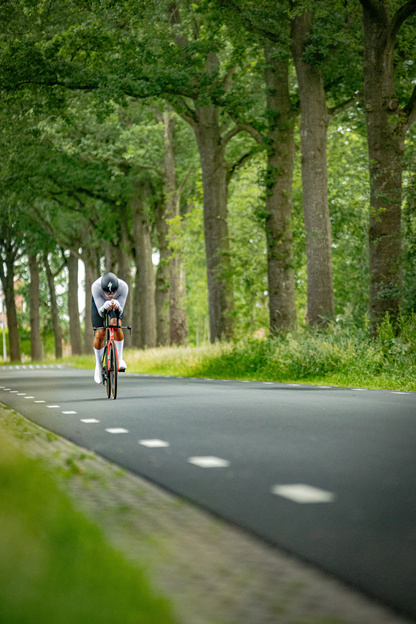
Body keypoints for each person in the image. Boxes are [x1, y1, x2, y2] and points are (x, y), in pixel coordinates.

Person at [91, 272, 129, 384]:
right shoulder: (96, 286)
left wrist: (118, 306)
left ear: (117, 288)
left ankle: (119, 359)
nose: (110, 295)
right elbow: (100, 312)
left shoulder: (123, 287)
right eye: (107, 292)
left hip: (117, 303)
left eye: (113, 292)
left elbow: (120, 311)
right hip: (100, 304)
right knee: (100, 333)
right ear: (102, 289)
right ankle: (98, 365)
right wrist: (104, 307)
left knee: (115, 324)